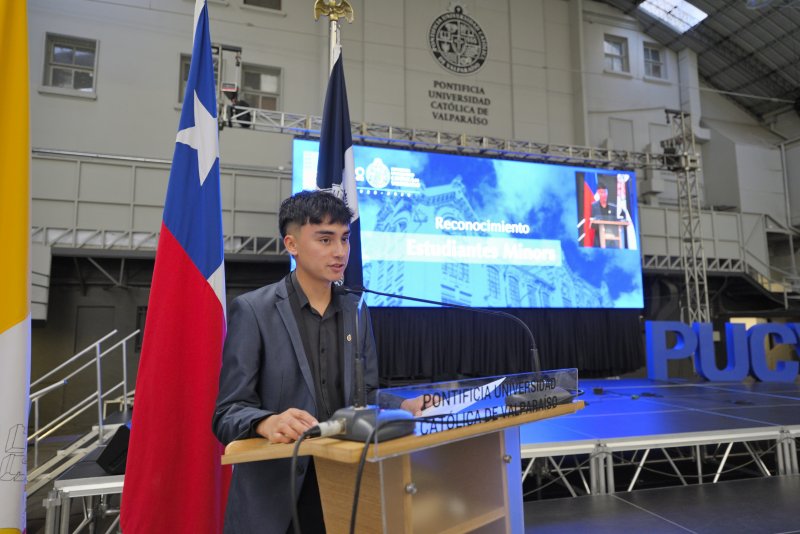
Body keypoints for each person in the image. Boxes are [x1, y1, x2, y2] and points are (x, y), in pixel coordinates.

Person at [212, 190, 419, 533]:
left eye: (344, 238)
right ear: (291, 244)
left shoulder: (356, 309)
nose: (340, 251)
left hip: (347, 483)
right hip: (279, 499)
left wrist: (404, 405)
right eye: (325, 239)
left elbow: (364, 396)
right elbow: (227, 413)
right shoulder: (253, 311)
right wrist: (266, 422)